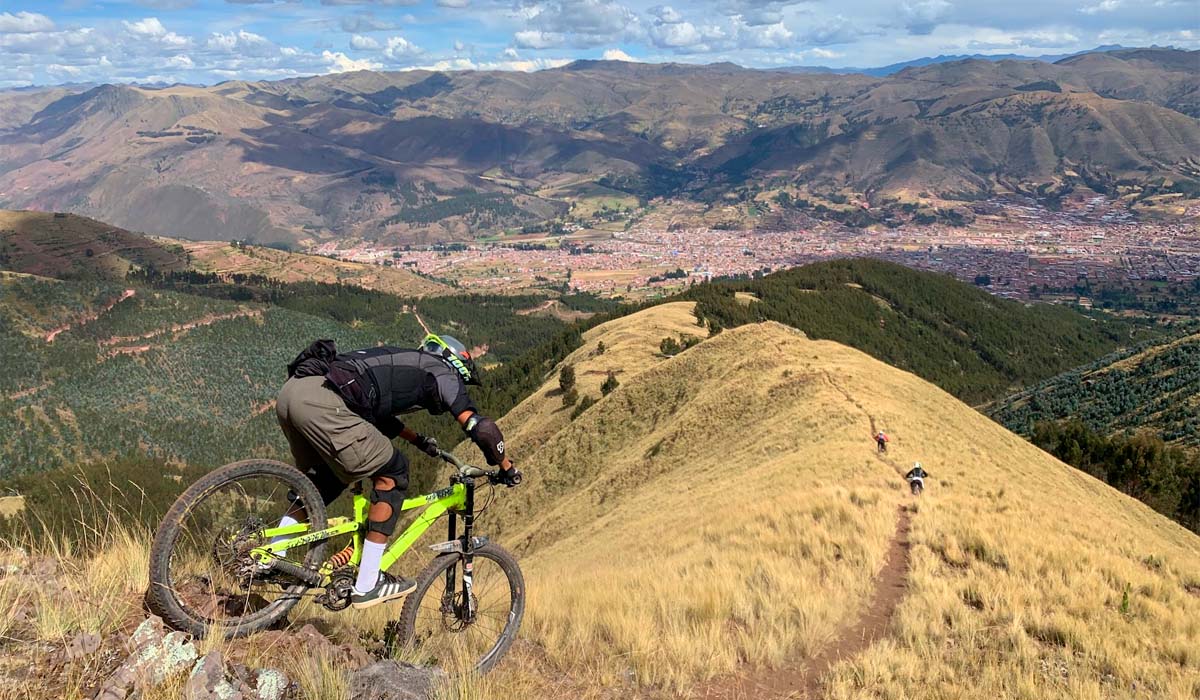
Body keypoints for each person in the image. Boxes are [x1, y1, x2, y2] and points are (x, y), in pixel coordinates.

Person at [274, 333, 520, 609]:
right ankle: (368, 583)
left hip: (292, 394)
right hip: (324, 403)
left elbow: (380, 416)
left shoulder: (402, 360)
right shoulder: (443, 372)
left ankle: (270, 554)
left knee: (326, 481)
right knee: (394, 471)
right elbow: (479, 427)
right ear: (456, 364)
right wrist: (506, 466)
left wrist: (419, 440)